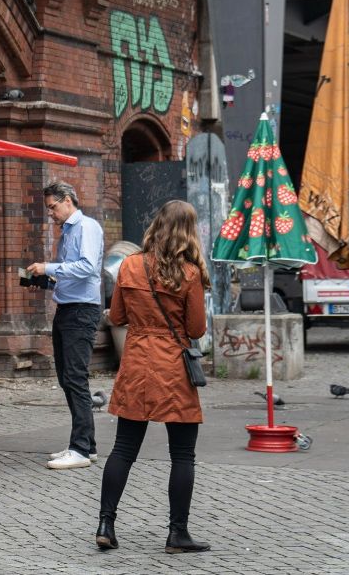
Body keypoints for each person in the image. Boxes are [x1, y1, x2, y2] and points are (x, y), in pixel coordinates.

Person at [96, 199, 210, 554]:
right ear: (188, 232)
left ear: (156, 224)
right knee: (183, 454)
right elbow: (196, 328)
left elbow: (117, 317)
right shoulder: (189, 274)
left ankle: (105, 524)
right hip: (173, 367)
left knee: (123, 448)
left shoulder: (130, 265)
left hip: (137, 362)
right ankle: (177, 534)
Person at [26, 180, 104, 470]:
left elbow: (88, 267)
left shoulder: (86, 227)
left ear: (68, 200)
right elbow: (71, 275)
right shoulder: (69, 231)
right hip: (68, 308)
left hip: (81, 311)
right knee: (67, 378)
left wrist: (48, 267)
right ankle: (85, 445)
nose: (50, 214)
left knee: (75, 377)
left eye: (52, 207)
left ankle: (80, 449)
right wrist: (45, 281)